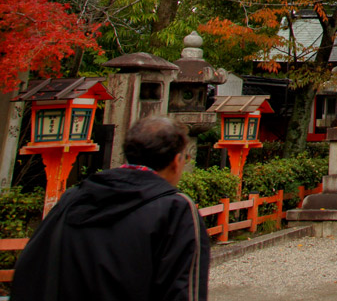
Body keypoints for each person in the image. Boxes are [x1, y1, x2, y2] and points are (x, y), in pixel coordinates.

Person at [12, 116, 209, 301]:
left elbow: (31, 269)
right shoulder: (175, 209)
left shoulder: (75, 197)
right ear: (176, 161)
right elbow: (183, 292)